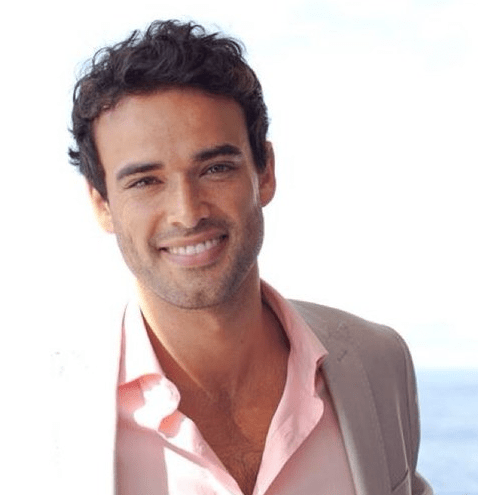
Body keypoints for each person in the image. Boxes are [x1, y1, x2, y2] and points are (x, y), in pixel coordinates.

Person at [66, 19, 433, 495]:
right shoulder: (39, 412)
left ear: (265, 172)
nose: (187, 212)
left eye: (216, 168)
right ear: (101, 204)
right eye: (145, 181)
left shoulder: (378, 362)